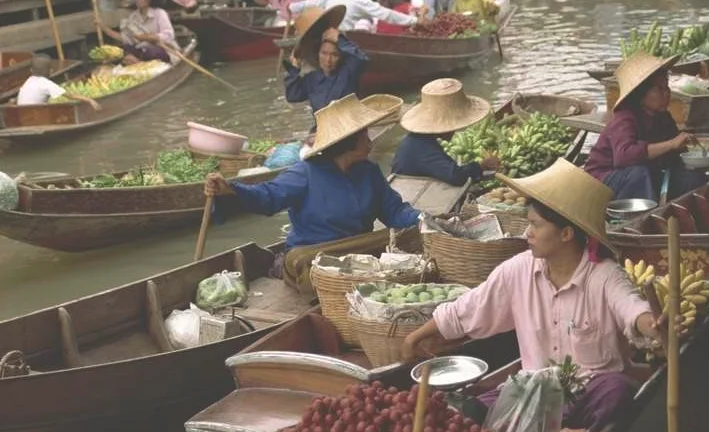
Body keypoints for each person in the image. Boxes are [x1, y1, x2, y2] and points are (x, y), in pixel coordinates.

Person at [402, 159, 675, 432]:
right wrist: (415, 337)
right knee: (464, 414)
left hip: (588, 392)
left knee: (616, 390)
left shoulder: (604, 276)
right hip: (533, 391)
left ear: (566, 233)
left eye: (535, 225)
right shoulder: (518, 270)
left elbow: (631, 307)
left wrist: (651, 323)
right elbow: (467, 309)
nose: (527, 233)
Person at [204, 94, 420, 291]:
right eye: (364, 136)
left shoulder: (368, 172)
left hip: (358, 252)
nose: (370, 141)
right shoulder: (305, 173)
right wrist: (230, 189)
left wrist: (422, 220)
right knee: (304, 263)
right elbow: (267, 197)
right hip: (314, 255)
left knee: (401, 239)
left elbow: (394, 211)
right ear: (349, 142)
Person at [583, 53, 705, 203]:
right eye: (659, 89)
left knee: (691, 178)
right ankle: (642, 219)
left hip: (644, 174)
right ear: (641, 95)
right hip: (603, 181)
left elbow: (673, 151)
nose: (666, 93)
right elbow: (624, 157)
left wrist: (687, 152)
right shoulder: (624, 118)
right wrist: (672, 144)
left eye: (666, 86)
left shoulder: (663, 117)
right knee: (639, 174)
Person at [391, 78, 499, 186]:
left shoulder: (417, 140)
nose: (454, 131)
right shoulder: (422, 148)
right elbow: (456, 177)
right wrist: (481, 166)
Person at [284, 6, 369, 118]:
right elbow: (292, 95)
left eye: (334, 55)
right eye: (324, 53)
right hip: (323, 128)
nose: (328, 60)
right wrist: (295, 68)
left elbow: (361, 59)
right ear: (317, 54)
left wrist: (339, 38)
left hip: (349, 125)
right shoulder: (311, 79)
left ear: (341, 56)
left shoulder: (347, 72)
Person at [102, 0, 177, 64]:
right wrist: (105, 29)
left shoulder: (160, 13)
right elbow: (126, 39)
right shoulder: (133, 17)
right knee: (125, 49)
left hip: (163, 50)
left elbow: (169, 35)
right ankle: (139, 63)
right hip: (143, 51)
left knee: (152, 52)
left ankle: (140, 62)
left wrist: (151, 37)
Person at [287, 0, 429, 33]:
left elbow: (306, 4)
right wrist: (415, 20)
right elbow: (387, 15)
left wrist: (291, 8)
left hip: (331, 37)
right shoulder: (360, 1)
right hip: (344, 39)